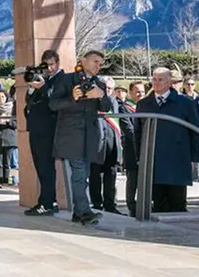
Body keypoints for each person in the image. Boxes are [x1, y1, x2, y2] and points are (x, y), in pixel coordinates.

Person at [49, 50, 111, 226]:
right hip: (70, 135)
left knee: (83, 175)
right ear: (83, 61)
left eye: (100, 63)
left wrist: (101, 95)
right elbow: (53, 104)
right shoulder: (66, 79)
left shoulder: (99, 83)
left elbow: (106, 107)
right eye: (94, 61)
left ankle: (79, 212)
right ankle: (84, 211)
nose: (98, 66)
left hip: (90, 136)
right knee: (79, 173)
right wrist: (73, 97)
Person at [135, 68, 199, 212]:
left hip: (178, 160)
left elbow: (195, 131)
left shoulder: (185, 103)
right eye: (154, 79)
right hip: (154, 160)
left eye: (161, 79)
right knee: (158, 203)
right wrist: (140, 156)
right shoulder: (144, 104)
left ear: (169, 82)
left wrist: (194, 158)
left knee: (177, 204)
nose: (157, 83)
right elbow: (138, 133)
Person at [23, 50, 63, 216]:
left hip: (49, 129)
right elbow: (29, 100)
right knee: (40, 166)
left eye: (52, 64)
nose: (50, 68)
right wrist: (32, 88)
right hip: (36, 128)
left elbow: (54, 100)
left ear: (58, 63)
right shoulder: (43, 79)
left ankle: (47, 202)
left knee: (46, 167)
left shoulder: (62, 79)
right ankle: (46, 201)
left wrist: (43, 87)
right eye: (47, 65)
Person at [89, 77, 121, 214]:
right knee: (95, 176)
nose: (107, 91)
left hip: (112, 144)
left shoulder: (114, 101)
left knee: (111, 175)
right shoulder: (92, 102)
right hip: (97, 144)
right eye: (105, 88)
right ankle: (97, 204)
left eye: (109, 89)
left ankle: (110, 204)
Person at [120, 81, 145, 216]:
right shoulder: (125, 108)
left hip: (146, 148)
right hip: (132, 148)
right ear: (130, 93)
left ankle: (144, 204)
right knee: (132, 179)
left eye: (142, 91)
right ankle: (131, 205)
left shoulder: (147, 106)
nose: (140, 94)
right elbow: (128, 129)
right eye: (137, 91)